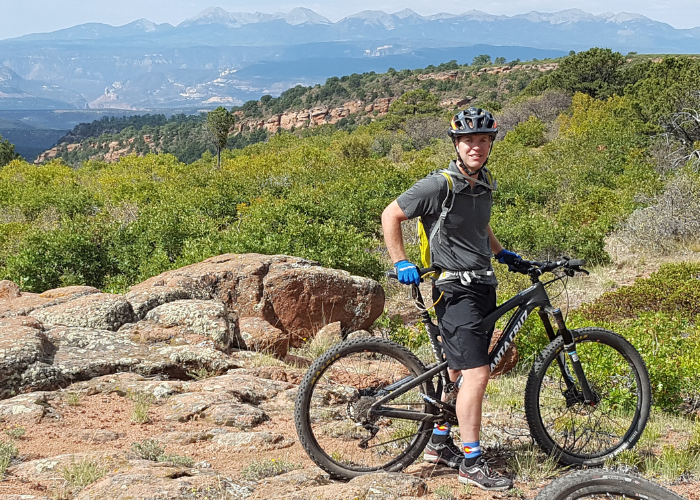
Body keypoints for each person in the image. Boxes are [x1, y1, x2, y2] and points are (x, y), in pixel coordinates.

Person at [381, 107, 519, 491]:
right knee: (478, 373)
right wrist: (401, 261)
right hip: (455, 290)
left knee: (458, 370)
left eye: (483, 140)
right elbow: (391, 214)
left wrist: (502, 252)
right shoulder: (437, 185)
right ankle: (471, 461)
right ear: (456, 145)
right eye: (469, 140)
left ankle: (440, 443)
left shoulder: (484, 182)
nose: (476, 146)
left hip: (482, 285)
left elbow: (480, 223)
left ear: (491, 144)